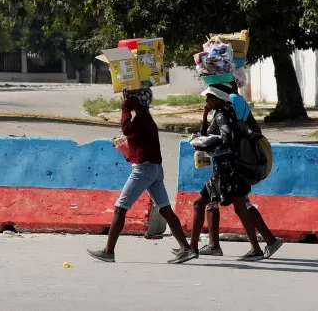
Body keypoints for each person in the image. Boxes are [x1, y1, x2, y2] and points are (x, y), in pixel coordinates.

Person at [88, 86, 196, 263]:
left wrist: (124, 109)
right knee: (165, 209)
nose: (127, 100)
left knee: (120, 208)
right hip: (154, 168)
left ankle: (109, 251)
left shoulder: (141, 120)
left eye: (130, 98)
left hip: (143, 170)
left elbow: (126, 128)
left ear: (136, 101)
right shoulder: (145, 118)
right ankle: (185, 248)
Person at [189, 86, 283, 261]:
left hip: (226, 170)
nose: (206, 102)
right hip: (232, 168)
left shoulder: (222, 115)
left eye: (209, 98)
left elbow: (227, 139)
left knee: (203, 203)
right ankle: (257, 246)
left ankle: (194, 248)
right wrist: (204, 116)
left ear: (217, 99)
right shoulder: (229, 111)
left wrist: (207, 146)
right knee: (239, 206)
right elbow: (212, 134)